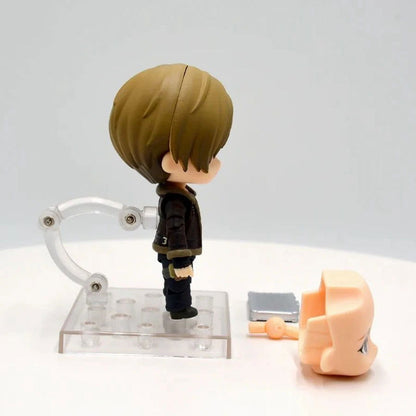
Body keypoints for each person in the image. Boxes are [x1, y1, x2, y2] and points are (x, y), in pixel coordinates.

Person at [109, 64, 233, 319]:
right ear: (171, 161)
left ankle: (176, 302)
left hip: (176, 252)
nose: (217, 163)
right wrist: (181, 259)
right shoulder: (175, 201)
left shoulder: (179, 194)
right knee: (178, 280)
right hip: (176, 253)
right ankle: (179, 308)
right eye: (208, 156)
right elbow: (175, 228)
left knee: (174, 279)